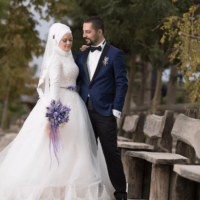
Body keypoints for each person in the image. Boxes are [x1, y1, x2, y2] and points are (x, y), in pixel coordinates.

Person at [0, 23, 114, 200]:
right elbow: (55, 86)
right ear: (55, 40)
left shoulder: (68, 57)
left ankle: (69, 186)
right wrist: (54, 116)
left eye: (70, 39)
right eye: (64, 40)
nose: (68, 43)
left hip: (75, 103)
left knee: (75, 147)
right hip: (61, 104)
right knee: (56, 147)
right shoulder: (55, 59)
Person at [75, 16, 128, 200]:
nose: (84, 35)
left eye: (87, 31)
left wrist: (116, 109)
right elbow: (76, 80)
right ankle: (90, 191)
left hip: (105, 111)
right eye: (83, 31)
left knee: (110, 152)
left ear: (99, 32)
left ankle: (121, 192)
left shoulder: (115, 54)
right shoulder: (81, 54)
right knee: (86, 153)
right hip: (83, 111)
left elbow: (122, 83)